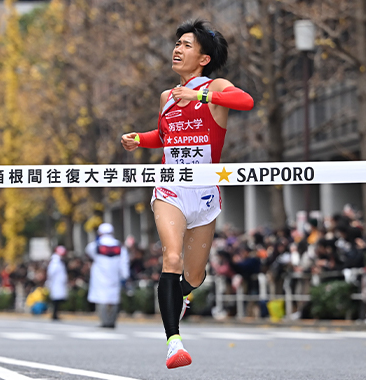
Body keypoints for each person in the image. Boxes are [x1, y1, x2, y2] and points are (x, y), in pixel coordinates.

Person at [120, 19, 254, 369]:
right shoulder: (167, 97)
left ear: (204, 58)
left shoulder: (215, 88)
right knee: (172, 259)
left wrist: (200, 94)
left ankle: (177, 296)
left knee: (193, 276)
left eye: (186, 45)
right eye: (176, 43)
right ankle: (173, 343)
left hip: (205, 194)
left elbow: (246, 101)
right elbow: (165, 136)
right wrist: (140, 138)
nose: (177, 50)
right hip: (171, 188)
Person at [85, 223, 129, 328]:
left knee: (101, 300)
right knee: (113, 300)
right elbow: (124, 262)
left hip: (100, 277)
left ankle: (105, 322)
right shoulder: (119, 246)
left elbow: (88, 250)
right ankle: (112, 321)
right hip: (114, 276)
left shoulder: (96, 245)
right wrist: (125, 276)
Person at [46, 245, 68, 320]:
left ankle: (55, 314)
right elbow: (51, 273)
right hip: (56, 283)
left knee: (57, 300)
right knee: (55, 300)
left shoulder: (59, 261)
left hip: (59, 284)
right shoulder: (55, 262)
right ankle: (54, 314)